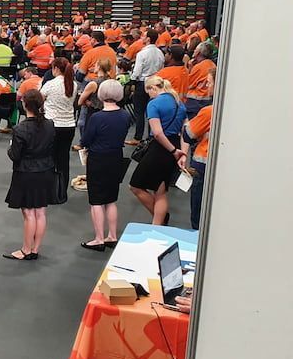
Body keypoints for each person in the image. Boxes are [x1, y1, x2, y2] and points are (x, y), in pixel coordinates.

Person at [3, 89, 56, 261]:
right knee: (40, 212)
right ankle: (35, 248)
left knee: (28, 214)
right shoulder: (50, 124)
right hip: (46, 171)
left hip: (26, 173)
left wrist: (10, 147)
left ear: (25, 105)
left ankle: (26, 249)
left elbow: (15, 155)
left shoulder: (20, 129)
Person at [129, 75, 187, 226]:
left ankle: (159, 218)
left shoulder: (154, 104)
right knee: (160, 191)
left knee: (135, 185)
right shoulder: (179, 104)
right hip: (174, 145)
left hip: (160, 147)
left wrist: (173, 151)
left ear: (152, 88)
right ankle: (158, 223)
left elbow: (157, 133)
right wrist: (182, 154)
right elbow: (186, 132)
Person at [79, 79, 130, 251]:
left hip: (98, 159)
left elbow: (85, 140)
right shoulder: (125, 115)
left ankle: (99, 238)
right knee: (111, 199)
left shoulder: (97, 117)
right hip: (116, 158)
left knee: (96, 201)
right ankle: (112, 236)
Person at [180, 68, 214, 230]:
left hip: (203, 166)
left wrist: (187, 123)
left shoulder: (208, 112)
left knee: (199, 214)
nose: (207, 85)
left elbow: (188, 135)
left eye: (209, 82)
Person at [40, 57, 77, 204]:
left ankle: (49, 193)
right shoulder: (73, 84)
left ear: (55, 68)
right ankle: (61, 194)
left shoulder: (50, 84)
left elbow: (39, 100)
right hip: (69, 126)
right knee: (63, 160)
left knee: (49, 159)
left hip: (52, 125)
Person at [129, 35, 164, 145]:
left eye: (143, 36)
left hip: (142, 83)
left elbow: (137, 71)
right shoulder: (160, 53)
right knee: (152, 112)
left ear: (148, 39)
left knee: (139, 112)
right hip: (156, 83)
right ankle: (151, 138)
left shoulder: (142, 53)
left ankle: (137, 138)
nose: (141, 38)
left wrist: (132, 82)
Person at [184, 42, 216, 121]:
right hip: (207, 101)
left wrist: (189, 68)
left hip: (195, 104)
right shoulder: (212, 65)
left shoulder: (198, 67)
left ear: (198, 52)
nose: (194, 51)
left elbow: (188, 84)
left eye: (195, 49)